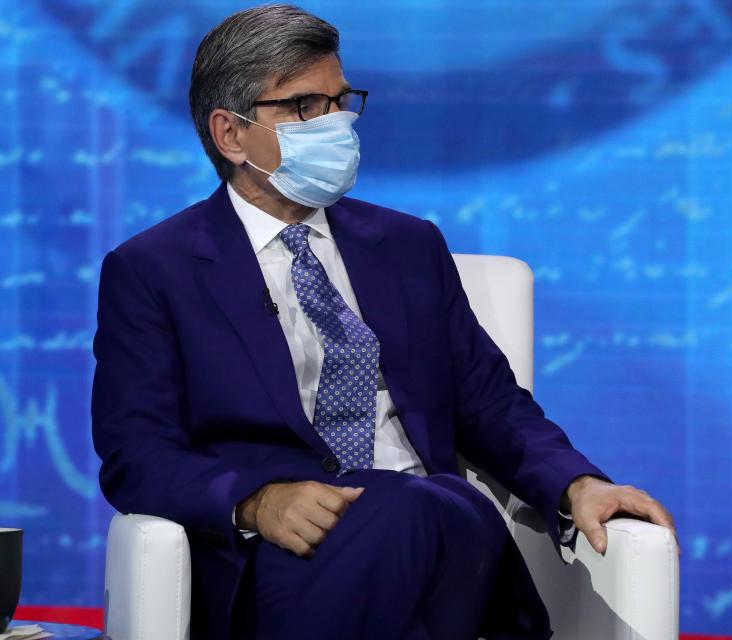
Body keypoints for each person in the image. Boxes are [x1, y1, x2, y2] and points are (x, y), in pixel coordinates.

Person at [91, 5, 679, 639]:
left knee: (416, 506)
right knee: (413, 519)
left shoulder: (407, 247)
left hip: (439, 528)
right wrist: (257, 502)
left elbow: (490, 404)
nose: (336, 123)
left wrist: (576, 484)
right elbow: (137, 456)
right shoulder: (155, 270)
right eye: (305, 107)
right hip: (281, 553)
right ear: (231, 135)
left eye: (342, 102)